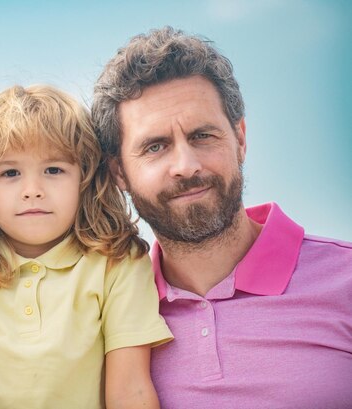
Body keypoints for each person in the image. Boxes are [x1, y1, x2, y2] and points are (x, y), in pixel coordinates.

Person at [92, 26, 352, 408]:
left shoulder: (345, 278)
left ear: (240, 139)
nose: (185, 165)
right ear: (118, 173)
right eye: (155, 146)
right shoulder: (110, 315)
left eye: (202, 136)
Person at [0, 85, 173, 409]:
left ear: (86, 179)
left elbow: (130, 390)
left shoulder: (120, 262)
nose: (32, 190)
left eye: (54, 170)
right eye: (10, 172)